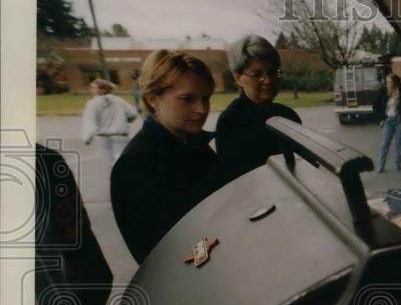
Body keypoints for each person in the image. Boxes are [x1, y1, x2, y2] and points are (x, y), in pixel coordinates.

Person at [111, 50, 221, 264]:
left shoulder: (197, 147)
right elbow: (159, 251)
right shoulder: (137, 164)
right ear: (153, 100)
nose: (201, 109)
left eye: (205, 98)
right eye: (187, 99)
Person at [215, 34, 302, 181]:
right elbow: (238, 180)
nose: (268, 80)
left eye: (273, 72)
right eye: (257, 74)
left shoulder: (288, 115)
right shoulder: (231, 121)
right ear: (238, 78)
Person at [80, 78, 139, 165]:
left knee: (108, 161)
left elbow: (90, 121)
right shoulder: (119, 100)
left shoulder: (92, 103)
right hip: (120, 134)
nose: (91, 90)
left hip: (103, 136)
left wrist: (87, 137)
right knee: (122, 160)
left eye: (93, 88)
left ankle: (115, 177)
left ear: (103, 90)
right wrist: (127, 119)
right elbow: (133, 113)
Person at [373, 73, 401, 172]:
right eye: (386, 82)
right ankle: (380, 166)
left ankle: (398, 163)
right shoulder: (383, 92)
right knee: (384, 144)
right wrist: (381, 120)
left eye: (389, 82)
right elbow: (375, 107)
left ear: (395, 82)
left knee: (399, 143)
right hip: (388, 121)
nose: (387, 84)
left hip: (400, 121)